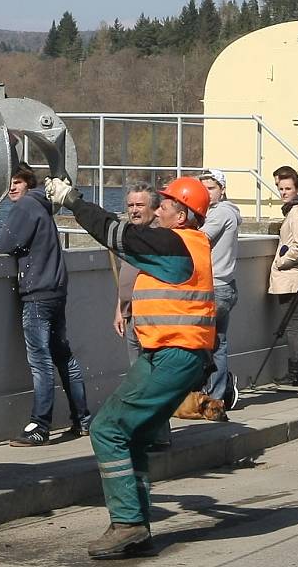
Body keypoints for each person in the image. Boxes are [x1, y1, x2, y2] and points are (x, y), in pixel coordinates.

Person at [45, 175, 215, 559]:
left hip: (173, 354)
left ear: (183, 214)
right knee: (133, 436)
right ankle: (136, 527)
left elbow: (115, 233)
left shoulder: (174, 243)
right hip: (174, 353)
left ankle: (127, 523)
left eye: (167, 204)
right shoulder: (189, 243)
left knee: (107, 429)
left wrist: (74, 201)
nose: (160, 209)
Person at [0, 163, 91, 446]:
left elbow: (8, 243)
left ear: (28, 184)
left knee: (40, 361)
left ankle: (40, 426)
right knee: (63, 357)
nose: (12, 188)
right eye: (9, 183)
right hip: (55, 291)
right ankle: (83, 420)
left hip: (38, 294)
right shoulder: (42, 205)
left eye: (17, 182)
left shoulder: (26, 207)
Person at [112, 183, 171, 450]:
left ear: (154, 209)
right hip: (132, 315)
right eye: (131, 205)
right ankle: (143, 431)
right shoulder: (131, 235)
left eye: (140, 205)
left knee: (152, 379)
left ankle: (158, 434)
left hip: (153, 318)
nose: (134, 211)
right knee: (137, 377)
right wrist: (120, 308)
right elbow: (126, 275)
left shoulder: (159, 238)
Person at [198, 169, 242, 409]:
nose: (206, 193)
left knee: (203, 344)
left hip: (214, 287)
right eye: (202, 188)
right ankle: (220, 389)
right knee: (218, 343)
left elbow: (197, 239)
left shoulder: (220, 213)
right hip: (225, 285)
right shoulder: (227, 212)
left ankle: (214, 394)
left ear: (222, 189)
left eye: (211, 188)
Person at [268, 165, 298, 386]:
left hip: (291, 277)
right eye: (281, 188)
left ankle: (296, 372)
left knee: (292, 327)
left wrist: (280, 262)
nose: (283, 192)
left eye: (288, 188)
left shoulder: (296, 213)